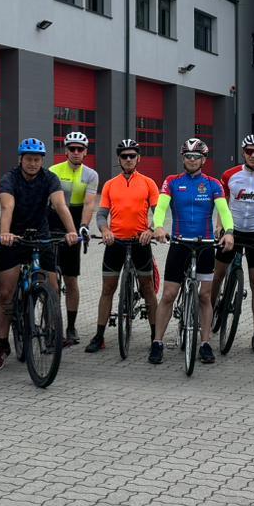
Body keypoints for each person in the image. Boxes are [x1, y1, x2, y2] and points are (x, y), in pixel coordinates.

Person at [0, 137, 85, 371]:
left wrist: (72, 232)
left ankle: (51, 329)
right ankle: (3, 344)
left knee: (52, 288)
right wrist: (5, 234)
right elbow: (7, 207)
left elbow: (60, 205)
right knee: (5, 293)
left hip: (42, 236)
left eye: (37, 160)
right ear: (21, 159)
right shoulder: (9, 178)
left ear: (42, 161)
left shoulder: (49, 178)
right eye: (29, 159)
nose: (33, 163)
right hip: (14, 237)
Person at [150, 138, 235, 366]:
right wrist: (158, 226)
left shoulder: (213, 184)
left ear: (203, 160)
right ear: (183, 158)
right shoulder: (172, 181)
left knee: (205, 296)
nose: (192, 160)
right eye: (188, 156)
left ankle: (205, 343)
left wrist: (229, 232)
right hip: (179, 243)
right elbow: (161, 207)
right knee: (169, 294)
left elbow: (224, 211)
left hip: (205, 245)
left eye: (196, 156)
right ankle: (157, 342)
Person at [86, 139, 161, 353]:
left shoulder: (148, 183)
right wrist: (105, 230)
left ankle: (156, 338)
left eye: (132, 156)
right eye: (124, 156)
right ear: (119, 159)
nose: (128, 159)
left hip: (140, 242)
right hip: (115, 242)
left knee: (147, 288)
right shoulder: (110, 184)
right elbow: (101, 215)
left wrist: (151, 230)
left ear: (138, 158)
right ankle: (99, 336)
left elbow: (159, 213)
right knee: (107, 289)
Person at [213, 134, 254, 353]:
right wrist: (219, 227)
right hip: (232, 231)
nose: (253, 155)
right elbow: (222, 204)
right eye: (249, 151)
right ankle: (209, 315)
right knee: (217, 276)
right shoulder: (229, 175)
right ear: (243, 152)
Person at [48, 131, 100, 346]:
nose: (76, 152)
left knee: (71, 279)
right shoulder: (53, 171)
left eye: (80, 149)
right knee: (50, 278)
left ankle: (70, 326)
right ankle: (51, 324)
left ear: (86, 152)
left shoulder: (91, 175)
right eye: (72, 148)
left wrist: (84, 227)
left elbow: (89, 204)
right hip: (53, 221)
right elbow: (50, 201)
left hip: (75, 222)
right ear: (66, 150)